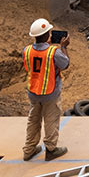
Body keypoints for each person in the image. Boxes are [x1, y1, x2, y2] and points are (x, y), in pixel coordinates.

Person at [22, 18, 70, 162]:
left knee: (33, 120)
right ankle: (51, 149)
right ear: (47, 35)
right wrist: (64, 47)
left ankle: (29, 149)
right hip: (50, 92)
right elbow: (65, 64)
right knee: (51, 120)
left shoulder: (27, 50)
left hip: (33, 92)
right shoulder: (53, 52)